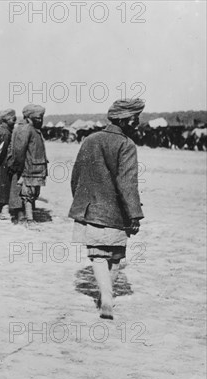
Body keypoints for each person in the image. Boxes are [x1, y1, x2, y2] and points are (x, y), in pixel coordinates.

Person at [70, 98, 145, 320]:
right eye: (136, 118)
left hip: (91, 209)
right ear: (128, 120)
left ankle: (105, 297)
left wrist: (83, 202)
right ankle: (107, 297)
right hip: (116, 212)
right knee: (115, 256)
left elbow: (76, 177)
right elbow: (127, 183)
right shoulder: (127, 145)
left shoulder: (90, 140)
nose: (138, 123)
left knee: (97, 255)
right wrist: (134, 214)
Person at [8, 104, 48, 228]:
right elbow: (19, 151)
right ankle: (28, 219)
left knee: (32, 193)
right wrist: (19, 168)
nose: (40, 120)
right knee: (27, 194)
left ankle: (28, 217)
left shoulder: (35, 130)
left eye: (41, 118)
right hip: (28, 168)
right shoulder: (26, 129)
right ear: (28, 117)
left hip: (37, 168)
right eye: (37, 118)